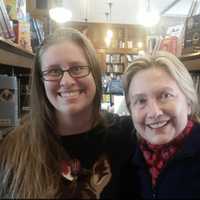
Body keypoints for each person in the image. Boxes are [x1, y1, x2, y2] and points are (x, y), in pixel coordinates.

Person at [0, 28, 135, 199]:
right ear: (41, 82)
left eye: (77, 68)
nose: (66, 82)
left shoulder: (127, 135)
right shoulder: (12, 148)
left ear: (94, 73)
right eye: (54, 71)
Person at [122, 51, 200, 198]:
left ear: (188, 102)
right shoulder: (128, 157)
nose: (154, 113)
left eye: (165, 96)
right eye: (141, 101)